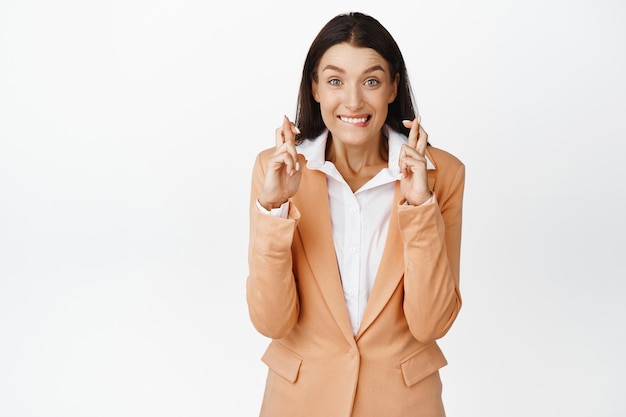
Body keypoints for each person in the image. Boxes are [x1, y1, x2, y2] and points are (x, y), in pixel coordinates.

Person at [246, 11, 465, 417]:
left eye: (371, 81)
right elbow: (271, 322)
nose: (352, 101)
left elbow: (431, 324)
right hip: (300, 403)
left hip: (403, 405)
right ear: (314, 87)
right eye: (334, 81)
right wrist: (274, 210)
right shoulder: (274, 169)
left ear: (392, 86)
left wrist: (420, 208)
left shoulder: (442, 175)